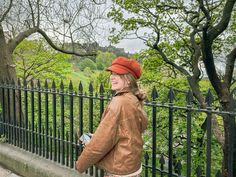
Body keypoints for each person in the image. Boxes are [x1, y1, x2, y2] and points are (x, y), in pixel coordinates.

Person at [76, 56, 148, 177]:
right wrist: (98, 136)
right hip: (132, 166)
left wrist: (80, 164)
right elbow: (129, 131)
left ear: (128, 79)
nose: (112, 77)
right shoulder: (132, 98)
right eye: (112, 73)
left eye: (118, 74)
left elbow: (99, 144)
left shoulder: (119, 102)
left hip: (119, 171)